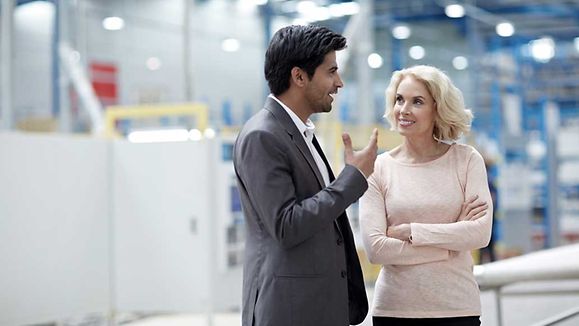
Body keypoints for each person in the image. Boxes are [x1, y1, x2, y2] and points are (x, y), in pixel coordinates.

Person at [233, 25, 378, 326]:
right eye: (331, 72)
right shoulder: (263, 136)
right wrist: (351, 180)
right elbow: (286, 225)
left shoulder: (299, 133)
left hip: (315, 307)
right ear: (299, 77)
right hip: (289, 311)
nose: (339, 83)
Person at [359, 65, 492, 326]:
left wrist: (413, 231)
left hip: (457, 308)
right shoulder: (378, 168)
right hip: (395, 311)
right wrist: (451, 241)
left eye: (417, 101)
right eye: (399, 99)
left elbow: (480, 233)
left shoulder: (466, 161)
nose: (403, 109)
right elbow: (376, 249)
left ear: (438, 108)